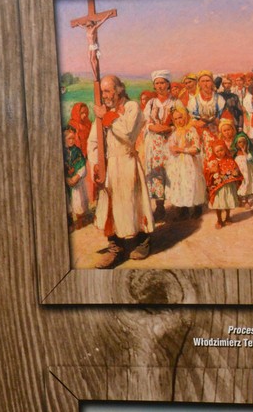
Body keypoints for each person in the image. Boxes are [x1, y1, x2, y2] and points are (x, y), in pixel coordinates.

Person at [87, 74, 155, 268]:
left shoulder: (132, 107)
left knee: (133, 204)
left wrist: (107, 117)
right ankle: (115, 248)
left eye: (108, 91)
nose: (105, 96)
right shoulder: (104, 112)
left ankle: (142, 242)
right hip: (110, 166)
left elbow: (127, 134)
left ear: (119, 89)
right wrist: (96, 163)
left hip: (127, 162)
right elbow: (92, 142)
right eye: (102, 92)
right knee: (111, 207)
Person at [142, 70, 175, 221]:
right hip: (154, 143)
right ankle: (160, 206)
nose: (160, 86)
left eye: (163, 82)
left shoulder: (175, 102)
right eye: (157, 83)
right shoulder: (151, 103)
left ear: (168, 84)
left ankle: (178, 204)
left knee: (172, 171)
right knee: (156, 173)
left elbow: (181, 121)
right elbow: (146, 122)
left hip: (170, 140)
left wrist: (169, 128)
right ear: (154, 86)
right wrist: (154, 127)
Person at [165, 104, 206, 217]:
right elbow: (172, 148)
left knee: (192, 182)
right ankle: (184, 209)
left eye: (180, 117)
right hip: (178, 163)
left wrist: (182, 149)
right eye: (176, 119)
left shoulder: (191, 131)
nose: (179, 121)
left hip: (190, 162)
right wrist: (176, 149)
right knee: (181, 183)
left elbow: (196, 148)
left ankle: (197, 207)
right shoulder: (174, 133)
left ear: (186, 117)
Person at [203, 136, 243, 228]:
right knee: (218, 204)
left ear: (225, 149)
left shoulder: (229, 160)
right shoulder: (212, 162)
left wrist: (234, 172)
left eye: (221, 150)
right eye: (217, 151)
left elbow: (236, 170)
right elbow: (207, 172)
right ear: (214, 152)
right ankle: (219, 220)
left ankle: (228, 217)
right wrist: (211, 171)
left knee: (228, 202)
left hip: (228, 186)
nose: (220, 153)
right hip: (218, 188)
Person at [63, 125, 89, 229]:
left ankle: (80, 220)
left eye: (73, 138)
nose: (72, 141)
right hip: (66, 182)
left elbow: (82, 165)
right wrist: (66, 178)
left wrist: (77, 176)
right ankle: (69, 221)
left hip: (77, 181)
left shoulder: (77, 151)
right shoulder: (62, 152)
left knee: (78, 201)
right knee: (67, 202)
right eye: (69, 138)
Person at [234, 131, 253, 207]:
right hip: (240, 173)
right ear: (236, 144)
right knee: (239, 186)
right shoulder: (236, 154)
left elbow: (250, 160)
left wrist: (244, 151)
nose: (241, 144)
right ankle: (239, 200)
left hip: (247, 173)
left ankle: (246, 201)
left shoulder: (248, 153)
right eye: (239, 142)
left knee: (247, 185)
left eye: (243, 142)